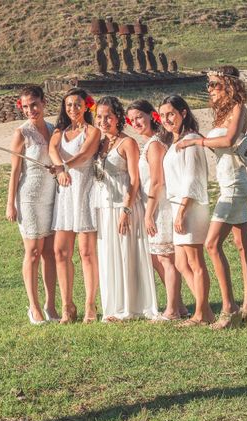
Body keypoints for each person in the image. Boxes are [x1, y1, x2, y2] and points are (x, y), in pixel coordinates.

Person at [177, 66, 247, 328]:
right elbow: (222, 144)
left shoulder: (238, 108)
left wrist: (195, 143)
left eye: (215, 84)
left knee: (212, 245)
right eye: (209, 85)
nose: (210, 89)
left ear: (229, 85)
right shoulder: (222, 112)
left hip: (235, 184)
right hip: (229, 183)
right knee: (242, 243)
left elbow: (229, 140)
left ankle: (229, 308)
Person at [94, 96, 158, 322]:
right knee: (109, 255)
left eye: (108, 116)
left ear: (118, 117)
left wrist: (126, 209)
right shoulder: (100, 143)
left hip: (124, 206)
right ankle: (113, 305)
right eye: (99, 117)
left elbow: (134, 179)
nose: (103, 121)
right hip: (104, 207)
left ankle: (131, 306)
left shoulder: (127, 143)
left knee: (125, 254)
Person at [127, 100, 189, 321]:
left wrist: (148, 213)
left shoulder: (154, 144)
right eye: (131, 120)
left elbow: (156, 182)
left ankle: (172, 309)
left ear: (151, 116)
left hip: (159, 206)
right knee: (157, 258)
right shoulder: (151, 143)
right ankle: (179, 306)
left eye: (139, 118)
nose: (135, 123)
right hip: (153, 205)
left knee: (165, 259)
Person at [159, 95, 215, 327]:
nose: (166, 119)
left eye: (170, 114)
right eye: (162, 115)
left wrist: (182, 211)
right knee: (182, 263)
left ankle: (201, 314)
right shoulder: (175, 141)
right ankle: (206, 310)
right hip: (178, 206)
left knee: (195, 261)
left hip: (189, 206)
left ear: (183, 113)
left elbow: (192, 179)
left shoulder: (190, 140)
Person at [5, 85, 59, 325]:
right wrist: (10, 203)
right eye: (25, 106)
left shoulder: (52, 129)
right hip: (28, 196)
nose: (30, 110)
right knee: (33, 252)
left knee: (50, 252)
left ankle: (50, 305)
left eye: (34, 104)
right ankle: (34, 307)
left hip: (51, 195)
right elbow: (15, 171)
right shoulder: (21, 133)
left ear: (43, 102)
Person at [49, 88, 101, 324]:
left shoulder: (93, 131)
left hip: (84, 192)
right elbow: (52, 149)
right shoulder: (60, 131)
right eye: (69, 105)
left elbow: (84, 155)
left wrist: (63, 167)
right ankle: (67, 305)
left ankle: (91, 305)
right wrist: (59, 167)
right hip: (65, 194)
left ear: (86, 106)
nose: (73, 109)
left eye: (77, 104)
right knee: (61, 252)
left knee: (87, 253)